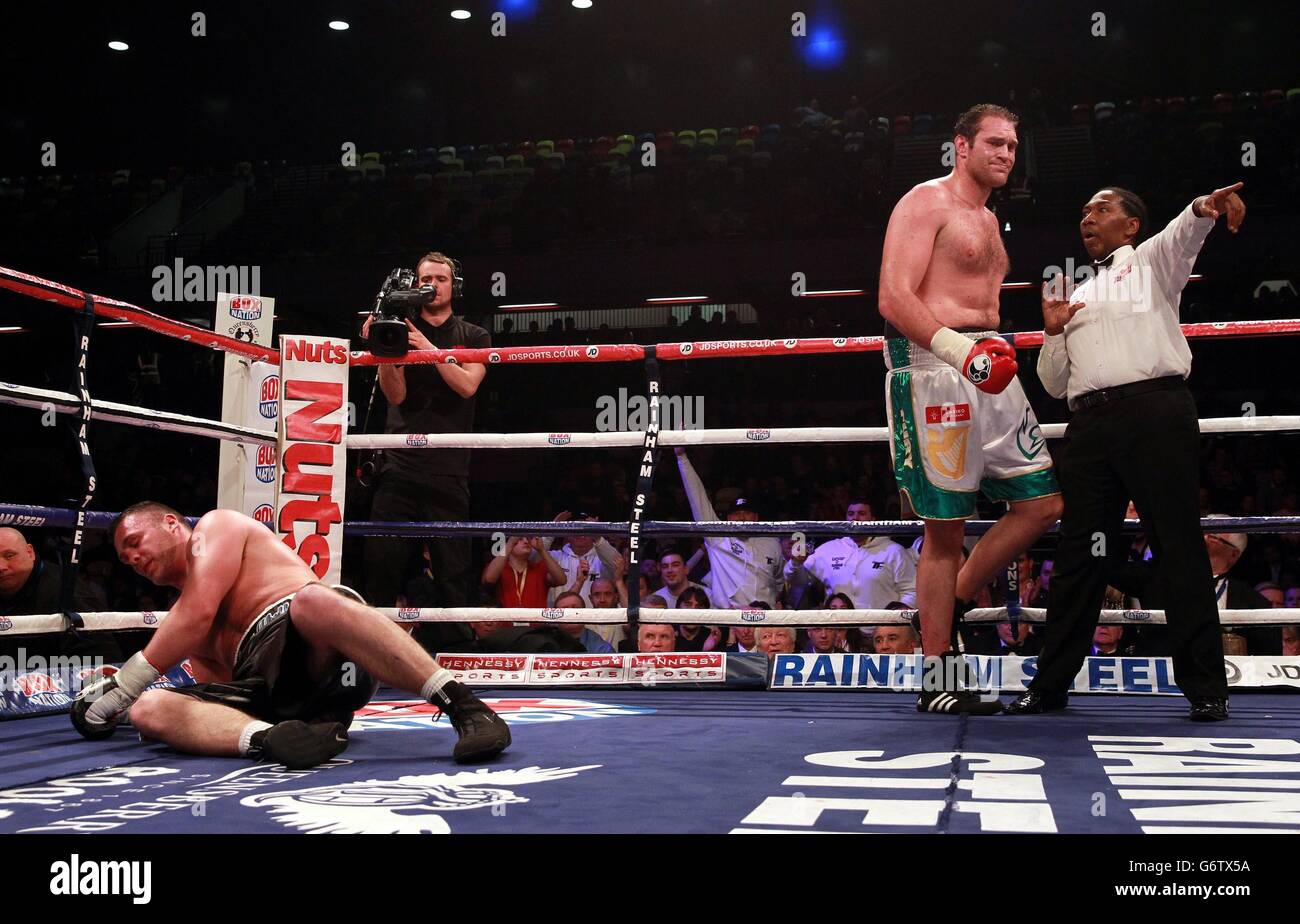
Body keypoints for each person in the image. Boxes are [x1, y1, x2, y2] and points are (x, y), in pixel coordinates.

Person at [1009, 182, 1247, 722]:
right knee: (1079, 555)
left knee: (1178, 544)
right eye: (1083, 211)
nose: (1087, 218)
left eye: (1101, 208)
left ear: (1132, 224)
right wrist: (1052, 333)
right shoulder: (1076, 295)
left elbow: (1185, 235)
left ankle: (1206, 687)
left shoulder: (1149, 265)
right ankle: (1049, 685)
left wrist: (1204, 207)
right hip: (1089, 427)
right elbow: (1052, 384)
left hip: (1154, 414)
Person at [72, 502, 511, 769]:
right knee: (149, 709)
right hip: (278, 694)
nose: (130, 558)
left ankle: (467, 708)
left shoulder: (216, 527)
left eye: (133, 541)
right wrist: (130, 705)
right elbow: (222, 688)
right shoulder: (180, 622)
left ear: (170, 523)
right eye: (123, 558)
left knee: (312, 600)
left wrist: (122, 687)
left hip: (325, 644)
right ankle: (281, 742)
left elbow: (198, 612)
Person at [878, 103, 1063, 714]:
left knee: (1041, 503)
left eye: (1012, 145)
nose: (1006, 154)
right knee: (945, 527)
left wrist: (982, 353)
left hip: (992, 363)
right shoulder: (924, 202)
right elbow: (893, 297)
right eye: (994, 143)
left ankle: (951, 599)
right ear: (961, 146)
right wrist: (958, 350)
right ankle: (936, 676)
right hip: (936, 367)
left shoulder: (987, 217)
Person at [360, 252, 489, 649]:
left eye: (441, 278)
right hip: (399, 466)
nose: (432, 284)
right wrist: (386, 349)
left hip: (448, 469)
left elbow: (467, 386)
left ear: (455, 286)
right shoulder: (399, 330)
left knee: (452, 570)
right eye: (425, 278)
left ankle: (459, 656)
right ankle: (371, 653)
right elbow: (395, 394)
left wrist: (428, 347)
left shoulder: (474, 335)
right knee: (382, 564)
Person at [674, 448, 783, 608]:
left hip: (766, 621)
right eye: (736, 514)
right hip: (731, 619)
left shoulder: (772, 543)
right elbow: (697, 498)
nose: (741, 518)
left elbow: (779, 582)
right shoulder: (718, 538)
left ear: (756, 518)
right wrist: (682, 457)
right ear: (728, 519)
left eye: (747, 513)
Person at [0, 527, 119, 661]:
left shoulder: (66, 589)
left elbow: (102, 653)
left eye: (9, 556)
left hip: (59, 676)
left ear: (30, 552)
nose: (1, 566)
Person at [784, 499, 916, 615]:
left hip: (880, 630)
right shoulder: (829, 549)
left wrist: (896, 619)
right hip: (839, 631)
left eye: (862, 514)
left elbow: (911, 590)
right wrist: (795, 563)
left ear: (873, 519)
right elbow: (799, 581)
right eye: (851, 514)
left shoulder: (893, 551)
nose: (855, 518)